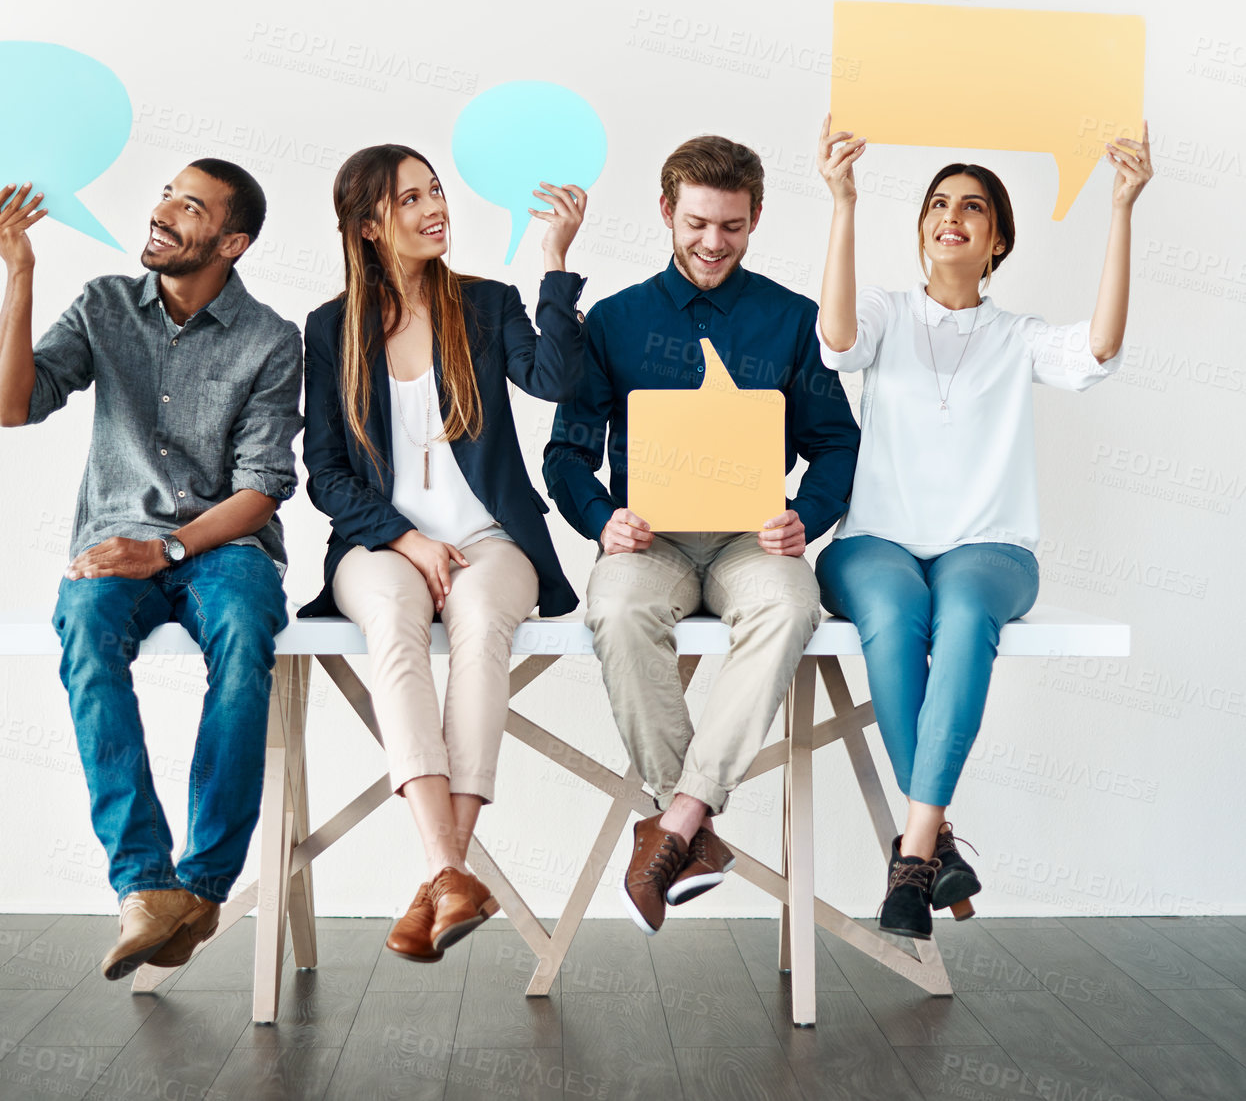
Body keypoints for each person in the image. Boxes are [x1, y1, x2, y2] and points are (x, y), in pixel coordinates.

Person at [812, 114, 1153, 939]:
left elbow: (1101, 348)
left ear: (997, 239)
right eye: (936, 203)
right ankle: (933, 842)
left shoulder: (1018, 336)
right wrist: (843, 201)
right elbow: (836, 339)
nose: (949, 215)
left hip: (990, 549)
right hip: (876, 542)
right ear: (922, 228)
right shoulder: (887, 312)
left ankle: (912, 850)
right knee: (895, 618)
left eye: (972, 206)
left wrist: (1122, 207)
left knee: (962, 615)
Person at [0, 161, 303, 981]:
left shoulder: (270, 340)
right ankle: (143, 886)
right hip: (116, 540)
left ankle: (201, 885)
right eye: (167, 193)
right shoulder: (103, 305)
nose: (161, 211)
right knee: (86, 627)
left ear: (231, 242)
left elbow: (263, 488)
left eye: (188, 206)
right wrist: (20, 273)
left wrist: (166, 548)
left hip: (222, 547)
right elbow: (12, 404)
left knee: (241, 631)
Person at [542, 135, 860, 934]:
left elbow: (838, 443)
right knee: (615, 612)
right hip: (651, 539)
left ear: (755, 220)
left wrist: (807, 516)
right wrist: (598, 517)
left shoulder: (793, 320)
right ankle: (695, 825)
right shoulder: (614, 321)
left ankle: (677, 821)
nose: (713, 242)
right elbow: (566, 452)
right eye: (696, 223)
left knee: (790, 609)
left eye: (731, 226)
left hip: (756, 537)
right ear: (665, 213)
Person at [300, 144, 588, 962]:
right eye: (409, 199)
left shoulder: (488, 305)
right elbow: (322, 471)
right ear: (366, 226)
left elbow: (556, 379)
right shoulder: (330, 330)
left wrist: (555, 261)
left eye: (436, 192)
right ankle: (450, 871)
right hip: (378, 543)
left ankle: (444, 875)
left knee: (480, 625)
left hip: (492, 538)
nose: (435, 208)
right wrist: (405, 538)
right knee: (393, 620)